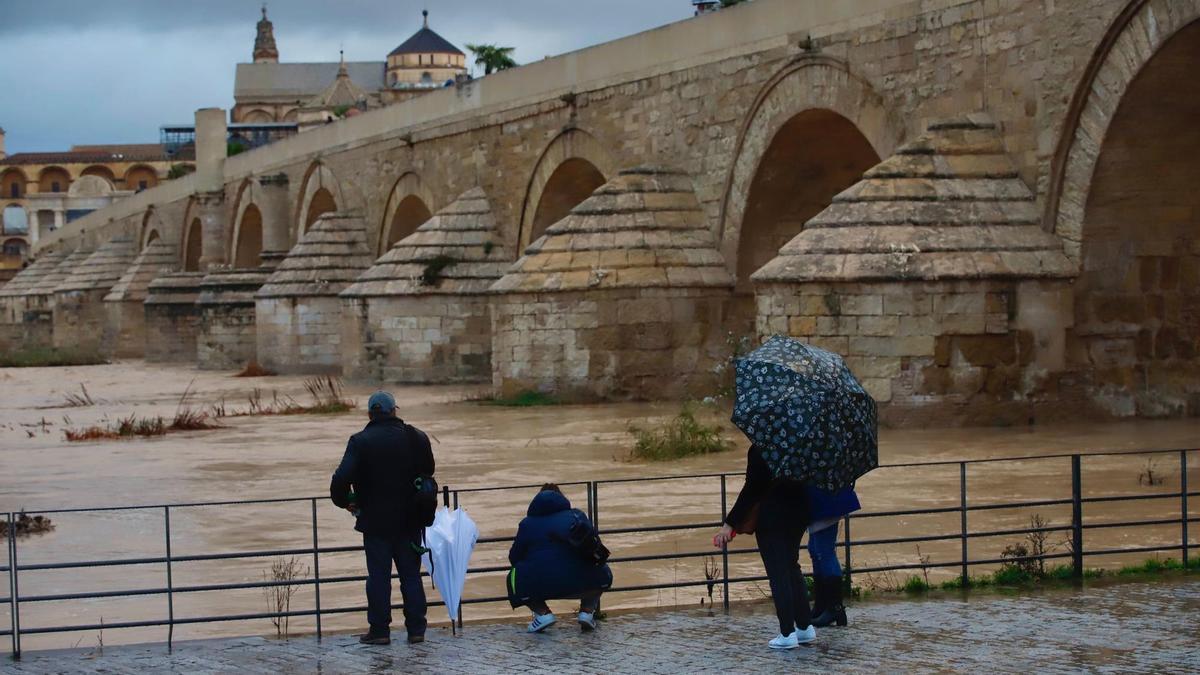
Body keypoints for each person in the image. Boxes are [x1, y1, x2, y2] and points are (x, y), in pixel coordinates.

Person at [330, 391, 435, 646]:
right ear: (394, 411)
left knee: (378, 577)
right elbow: (429, 471)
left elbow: (340, 480)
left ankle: (379, 631)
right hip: (410, 520)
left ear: (370, 414)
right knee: (411, 576)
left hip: (375, 523)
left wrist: (347, 502)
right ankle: (416, 630)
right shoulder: (416, 437)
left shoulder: (360, 441)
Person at [714, 445, 815, 650]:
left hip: (772, 517)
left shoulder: (762, 448)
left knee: (779, 573)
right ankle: (804, 627)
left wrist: (729, 524)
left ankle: (787, 633)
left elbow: (752, 489)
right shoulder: (801, 443)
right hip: (799, 512)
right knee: (791, 566)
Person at [506, 484, 613, 633]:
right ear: (562, 498)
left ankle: (543, 614)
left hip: (541, 585)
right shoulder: (577, 516)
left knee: (513, 576)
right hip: (584, 582)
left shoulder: (527, 524)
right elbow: (596, 547)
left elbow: (514, 557)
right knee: (600, 568)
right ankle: (587, 612)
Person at [806, 485, 860, 627]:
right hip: (821, 501)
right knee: (815, 549)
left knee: (824, 552)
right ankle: (822, 606)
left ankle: (834, 608)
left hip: (825, 502)